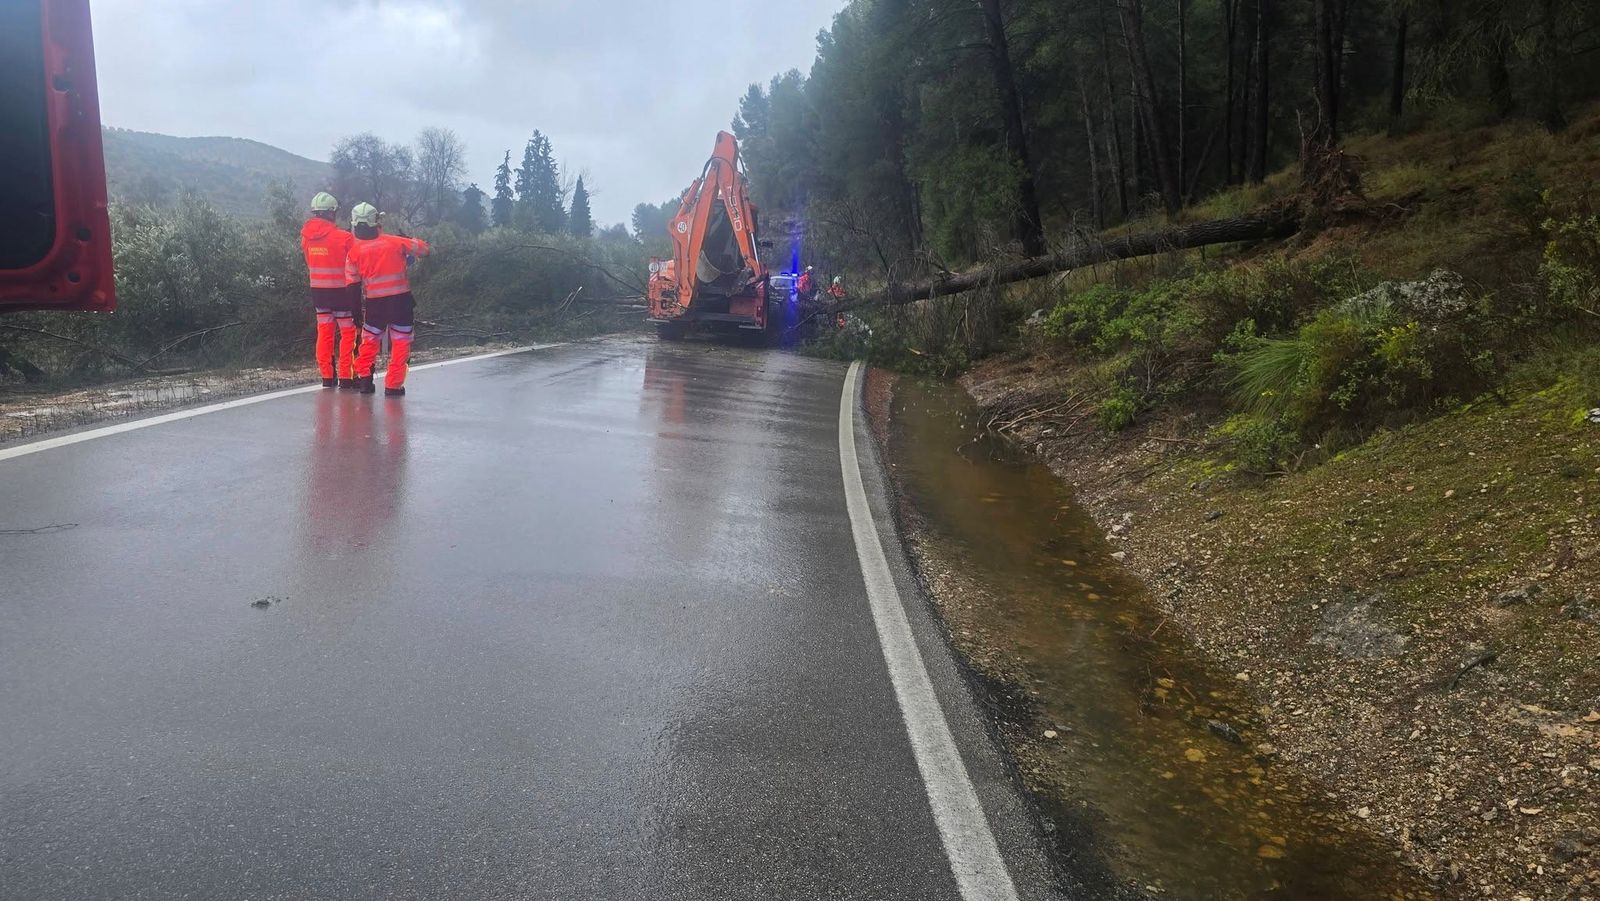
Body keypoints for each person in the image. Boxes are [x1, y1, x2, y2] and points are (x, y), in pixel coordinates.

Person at [345, 203, 430, 397]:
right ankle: (393, 386)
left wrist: (356, 313)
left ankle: (365, 381)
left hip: (375, 306)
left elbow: (352, 286)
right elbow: (424, 250)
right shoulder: (395, 242)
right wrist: (409, 239)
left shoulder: (354, 253)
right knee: (401, 343)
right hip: (401, 303)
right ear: (377, 222)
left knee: (369, 341)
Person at [299, 192, 360, 388]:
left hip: (318, 293)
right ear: (331, 213)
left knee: (324, 333)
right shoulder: (344, 237)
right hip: (342, 293)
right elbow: (357, 263)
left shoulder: (305, 238)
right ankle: (346, 376)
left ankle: (327, 376)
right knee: (348, 333)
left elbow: (309, 262)